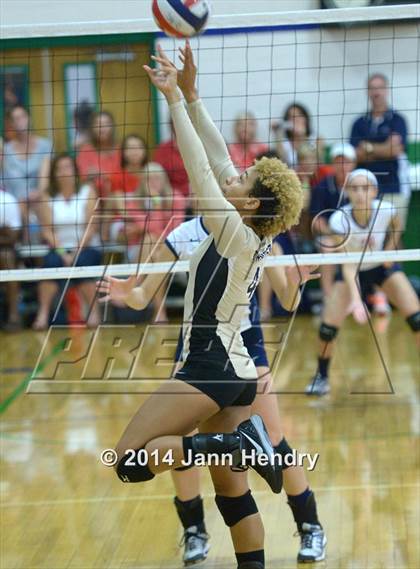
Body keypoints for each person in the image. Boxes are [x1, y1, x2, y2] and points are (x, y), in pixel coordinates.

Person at [97, 42, 303, 569]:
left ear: (251, 202)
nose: (234, 176)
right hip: (236, 371)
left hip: (211, 367)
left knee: (127, 460)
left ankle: (234, 445)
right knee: (233, 497)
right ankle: (235, 448)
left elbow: (201, 168)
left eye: (243, 181)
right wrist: (192, 96)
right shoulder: (248, 229)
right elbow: (217, 158)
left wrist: (170, 103)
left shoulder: (231, 229)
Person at [159, 216, 326, 565]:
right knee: (180, 436)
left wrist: (296, 284)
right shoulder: (184, 234)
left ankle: (310, 525)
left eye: (235, 180)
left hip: (244, 339)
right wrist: (126, 292)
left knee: (274, 438)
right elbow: (141, 294)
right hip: (197, 342)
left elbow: (289, 299)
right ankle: (194, 531)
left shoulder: (259, 233)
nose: (226, 185)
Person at [306, 169, 420, 397]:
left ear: (374, 191)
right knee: (328, 329)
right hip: (353, 270)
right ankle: (322, 377)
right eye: (354, 188)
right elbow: (348, 266)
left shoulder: (386, 210)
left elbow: (398, 224)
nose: (360, 193)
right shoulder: (340, 219)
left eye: (365, 188)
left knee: (417, 319)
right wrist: (356, 301)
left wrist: (389, 251)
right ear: (347, 192)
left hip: (380, 267)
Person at [32, 154, 102, 330]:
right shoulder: (48, 195)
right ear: (54, 173)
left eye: (67, 167)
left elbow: (91, 227)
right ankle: (43, 314)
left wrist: (76, 252)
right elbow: (47, 230)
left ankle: (93, 313)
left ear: (75, 171)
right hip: (60, 247)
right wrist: (64, 252)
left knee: (83, 263)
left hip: (86, 246)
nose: (64, 171)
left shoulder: (87, 191)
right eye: (59, 168)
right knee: (50, 264)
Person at [110, 161, 186, 321]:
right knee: (151, 242)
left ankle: (136, 282)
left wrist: (156, 205)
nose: (154, 183)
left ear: (165, 180)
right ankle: (160, 311)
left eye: (157, 178)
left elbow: (172, 233)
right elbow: (148, 228)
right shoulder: (134, 202)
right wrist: (146, 226)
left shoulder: (176, 198)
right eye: (149, 179)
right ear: (142, 181)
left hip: (170, 250)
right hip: (138, 251)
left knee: (153, 244)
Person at [350, 73, 410, 229]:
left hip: (393, 188)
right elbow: (356, 155)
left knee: (394, 234)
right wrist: (385, 147)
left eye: (380, 88)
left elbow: (396, 150)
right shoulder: (359, 123)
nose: (376, 92)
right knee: (370, 236)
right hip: (365, 190)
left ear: (387, 90)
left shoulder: (398, 120)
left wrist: (368, 147)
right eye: (372, 88)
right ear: (368, 92)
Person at [310, 142, 356, 298]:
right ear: (333, 164)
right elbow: (317, 220)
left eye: (347, 161)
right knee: (327, 247)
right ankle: (328, 298)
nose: (343, 166)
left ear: (354, 164)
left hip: (357, 234)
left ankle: (373, 297)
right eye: (338, 161)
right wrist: (334, 234)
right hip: (331, 236)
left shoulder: (361, 184)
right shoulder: (322, 186)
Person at [2, 105, 52, 243]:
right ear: (11, 123)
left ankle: (51, 248)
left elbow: (44, 178)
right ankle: (24, 251)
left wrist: (38, 192)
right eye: (15, 118)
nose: (20, 121)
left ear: (29, 118)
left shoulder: (45, 145)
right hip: (15, 200)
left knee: (42, 202)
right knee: (17, 206)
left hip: (38, 197)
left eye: (23, 116)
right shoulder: (5, 150)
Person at [76, 110, 121, 196]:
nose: (102, 128)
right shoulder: (86, 150)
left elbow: (127, 176)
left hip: (118, 195)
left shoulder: (121, 149)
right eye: (98, 124)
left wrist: (104, 175)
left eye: (106, 124)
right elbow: (83, 177)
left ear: (113, 127)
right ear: (92, 128)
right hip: (93, 196)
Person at [273, 103, 324, 169]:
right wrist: (278, 132)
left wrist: (302, 136)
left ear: (306, 118)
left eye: (299, 115)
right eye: (291, 117)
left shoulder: (318, 139)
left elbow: (315, 163)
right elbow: (282, 162)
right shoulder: (284, 144)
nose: (296, 119)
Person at [0, 185, 22, 331]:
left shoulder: (7, 200)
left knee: (6, 256)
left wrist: (6, 235)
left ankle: (14, 316)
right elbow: (7, 235)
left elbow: (13, 237)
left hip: (5, 251)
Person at [153, 117, 191, 199]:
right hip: (171, 198)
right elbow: (157, 177)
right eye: (176, 122)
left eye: (184, 122)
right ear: (171, 125)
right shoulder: (163, 149)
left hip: (199, 197)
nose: (180, 126)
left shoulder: (201, 147)